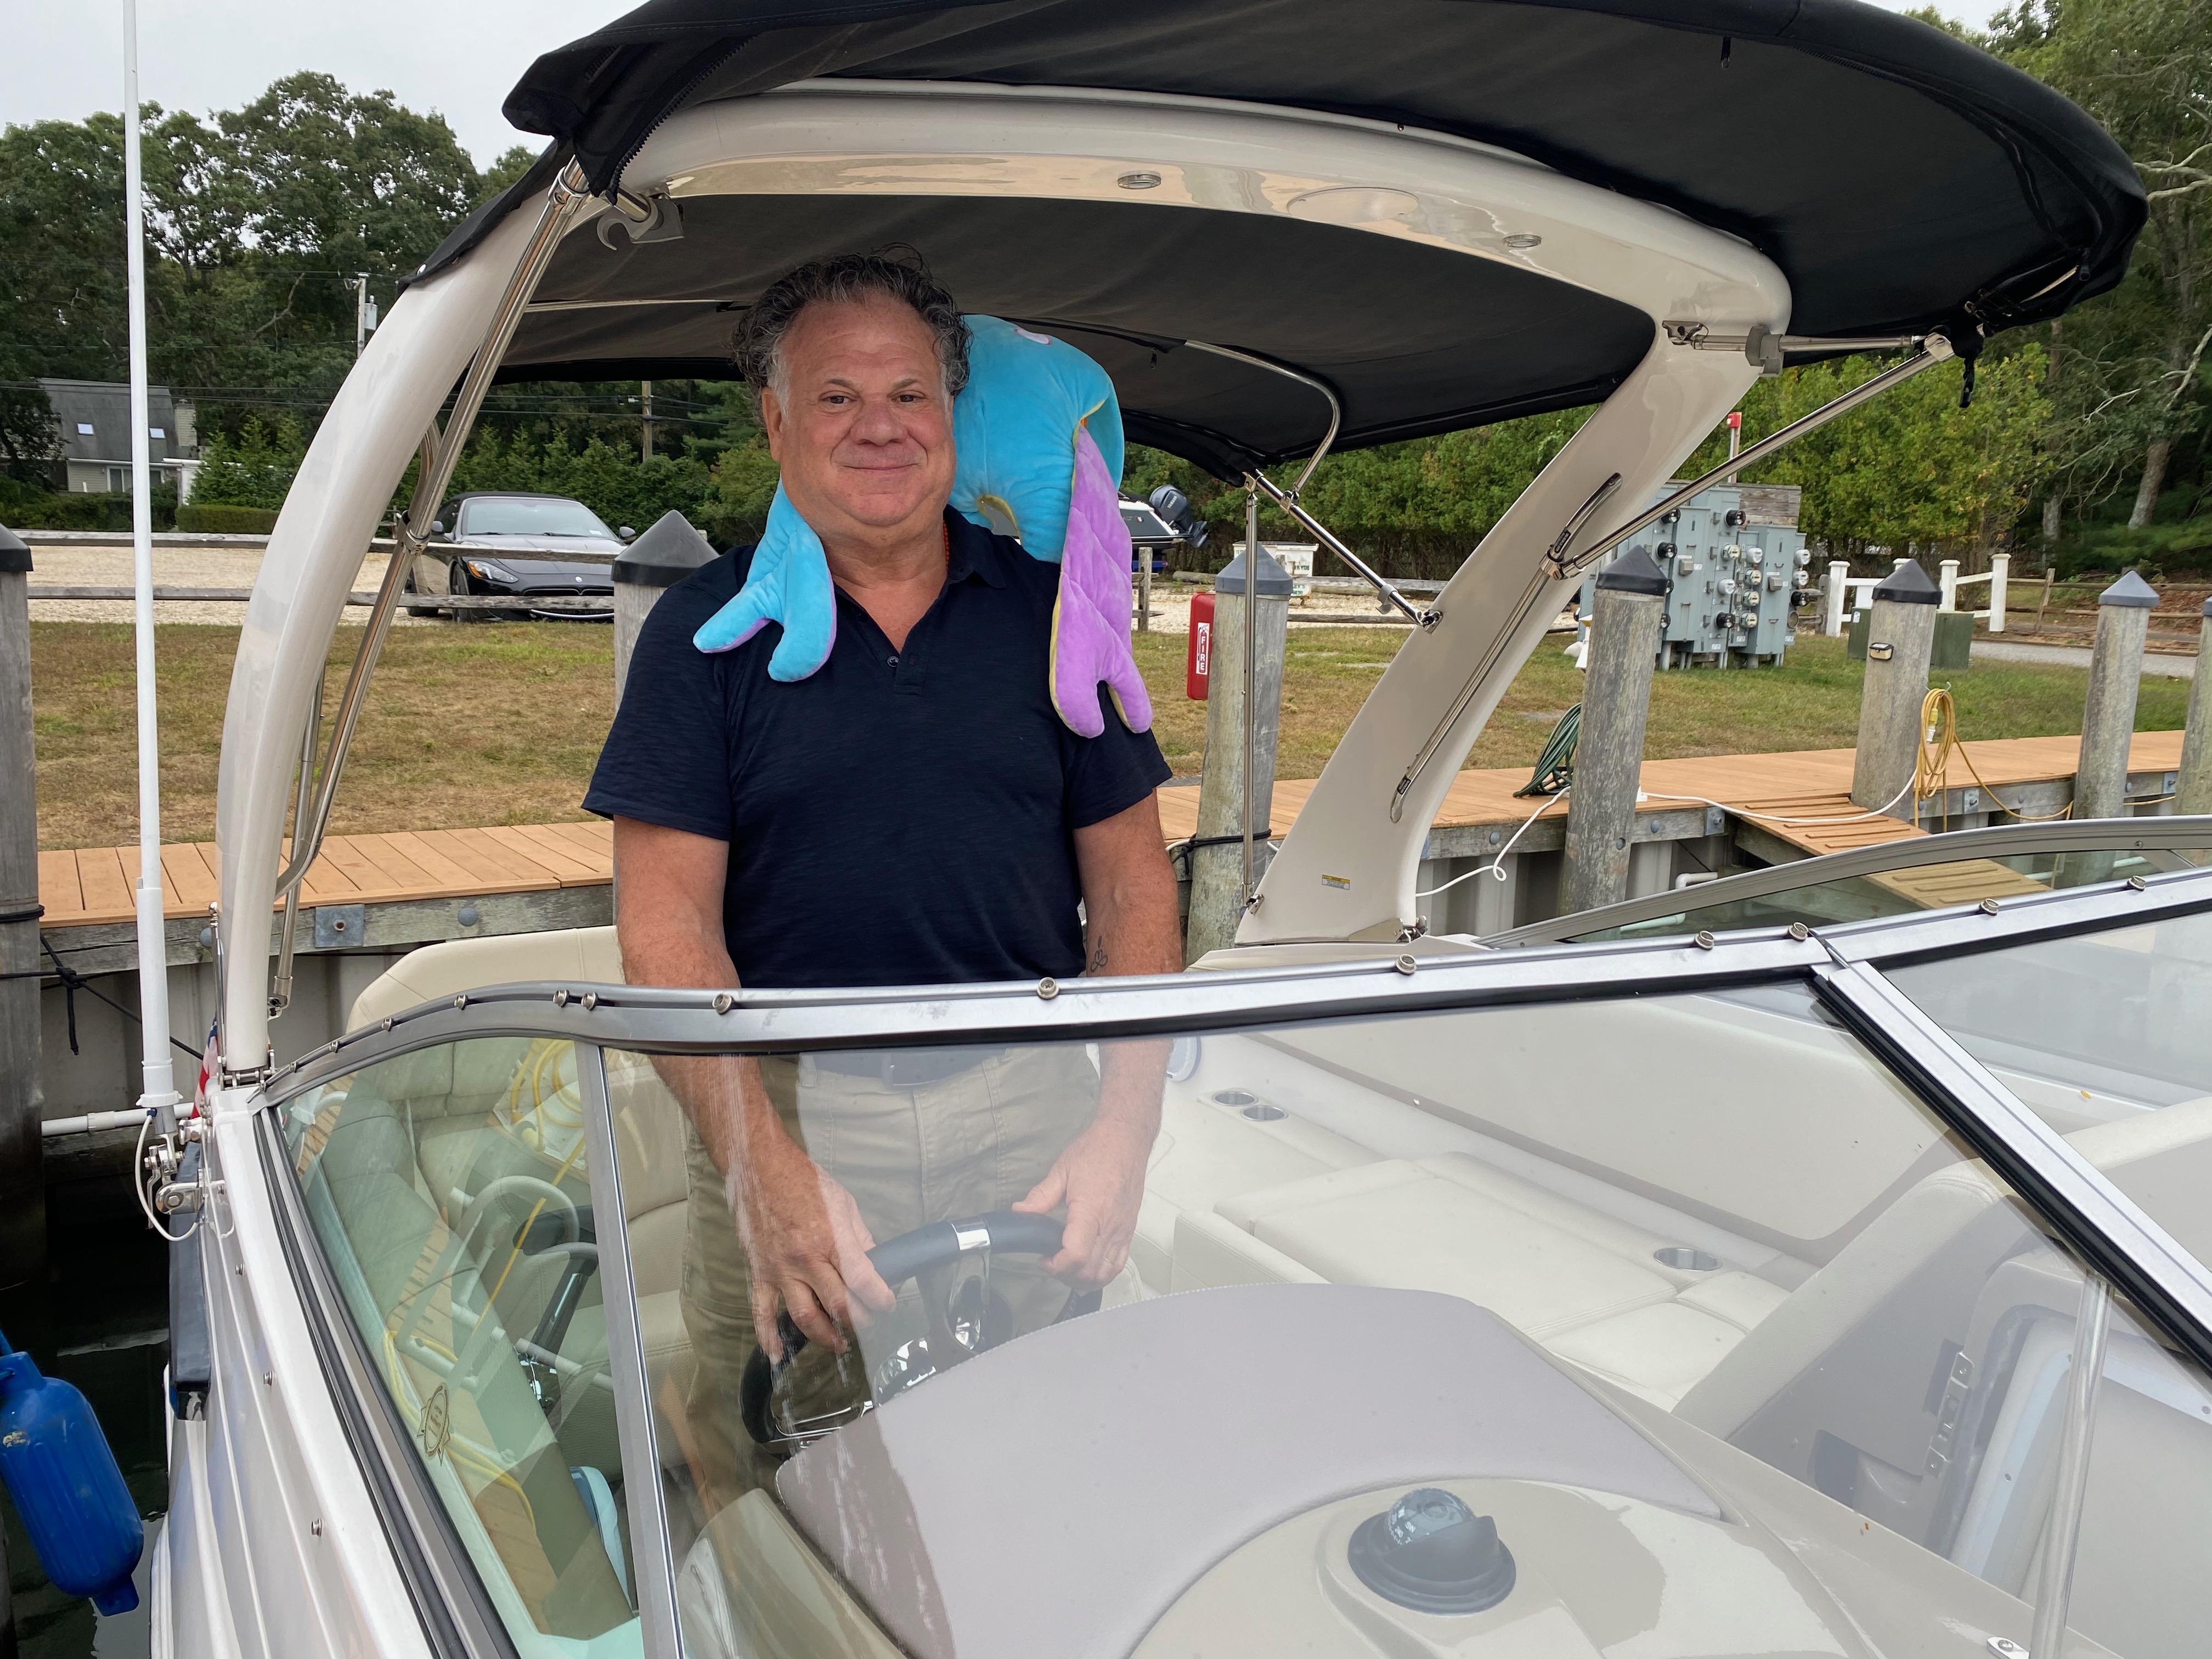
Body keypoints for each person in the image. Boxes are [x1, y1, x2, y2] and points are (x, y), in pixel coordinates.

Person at [583, 251, 1181, 1505]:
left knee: (1050, 1442)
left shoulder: (1057, 615)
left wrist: (1127, 1133)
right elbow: (666, 930)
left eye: (910, 394)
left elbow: (1133, 891)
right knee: (764, 1456)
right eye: (840, 396)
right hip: (785, 1103)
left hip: (1032, 1091)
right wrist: (763, 1171)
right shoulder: (708, 641)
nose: (880, 428)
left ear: (953, 418)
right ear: (777, 419)